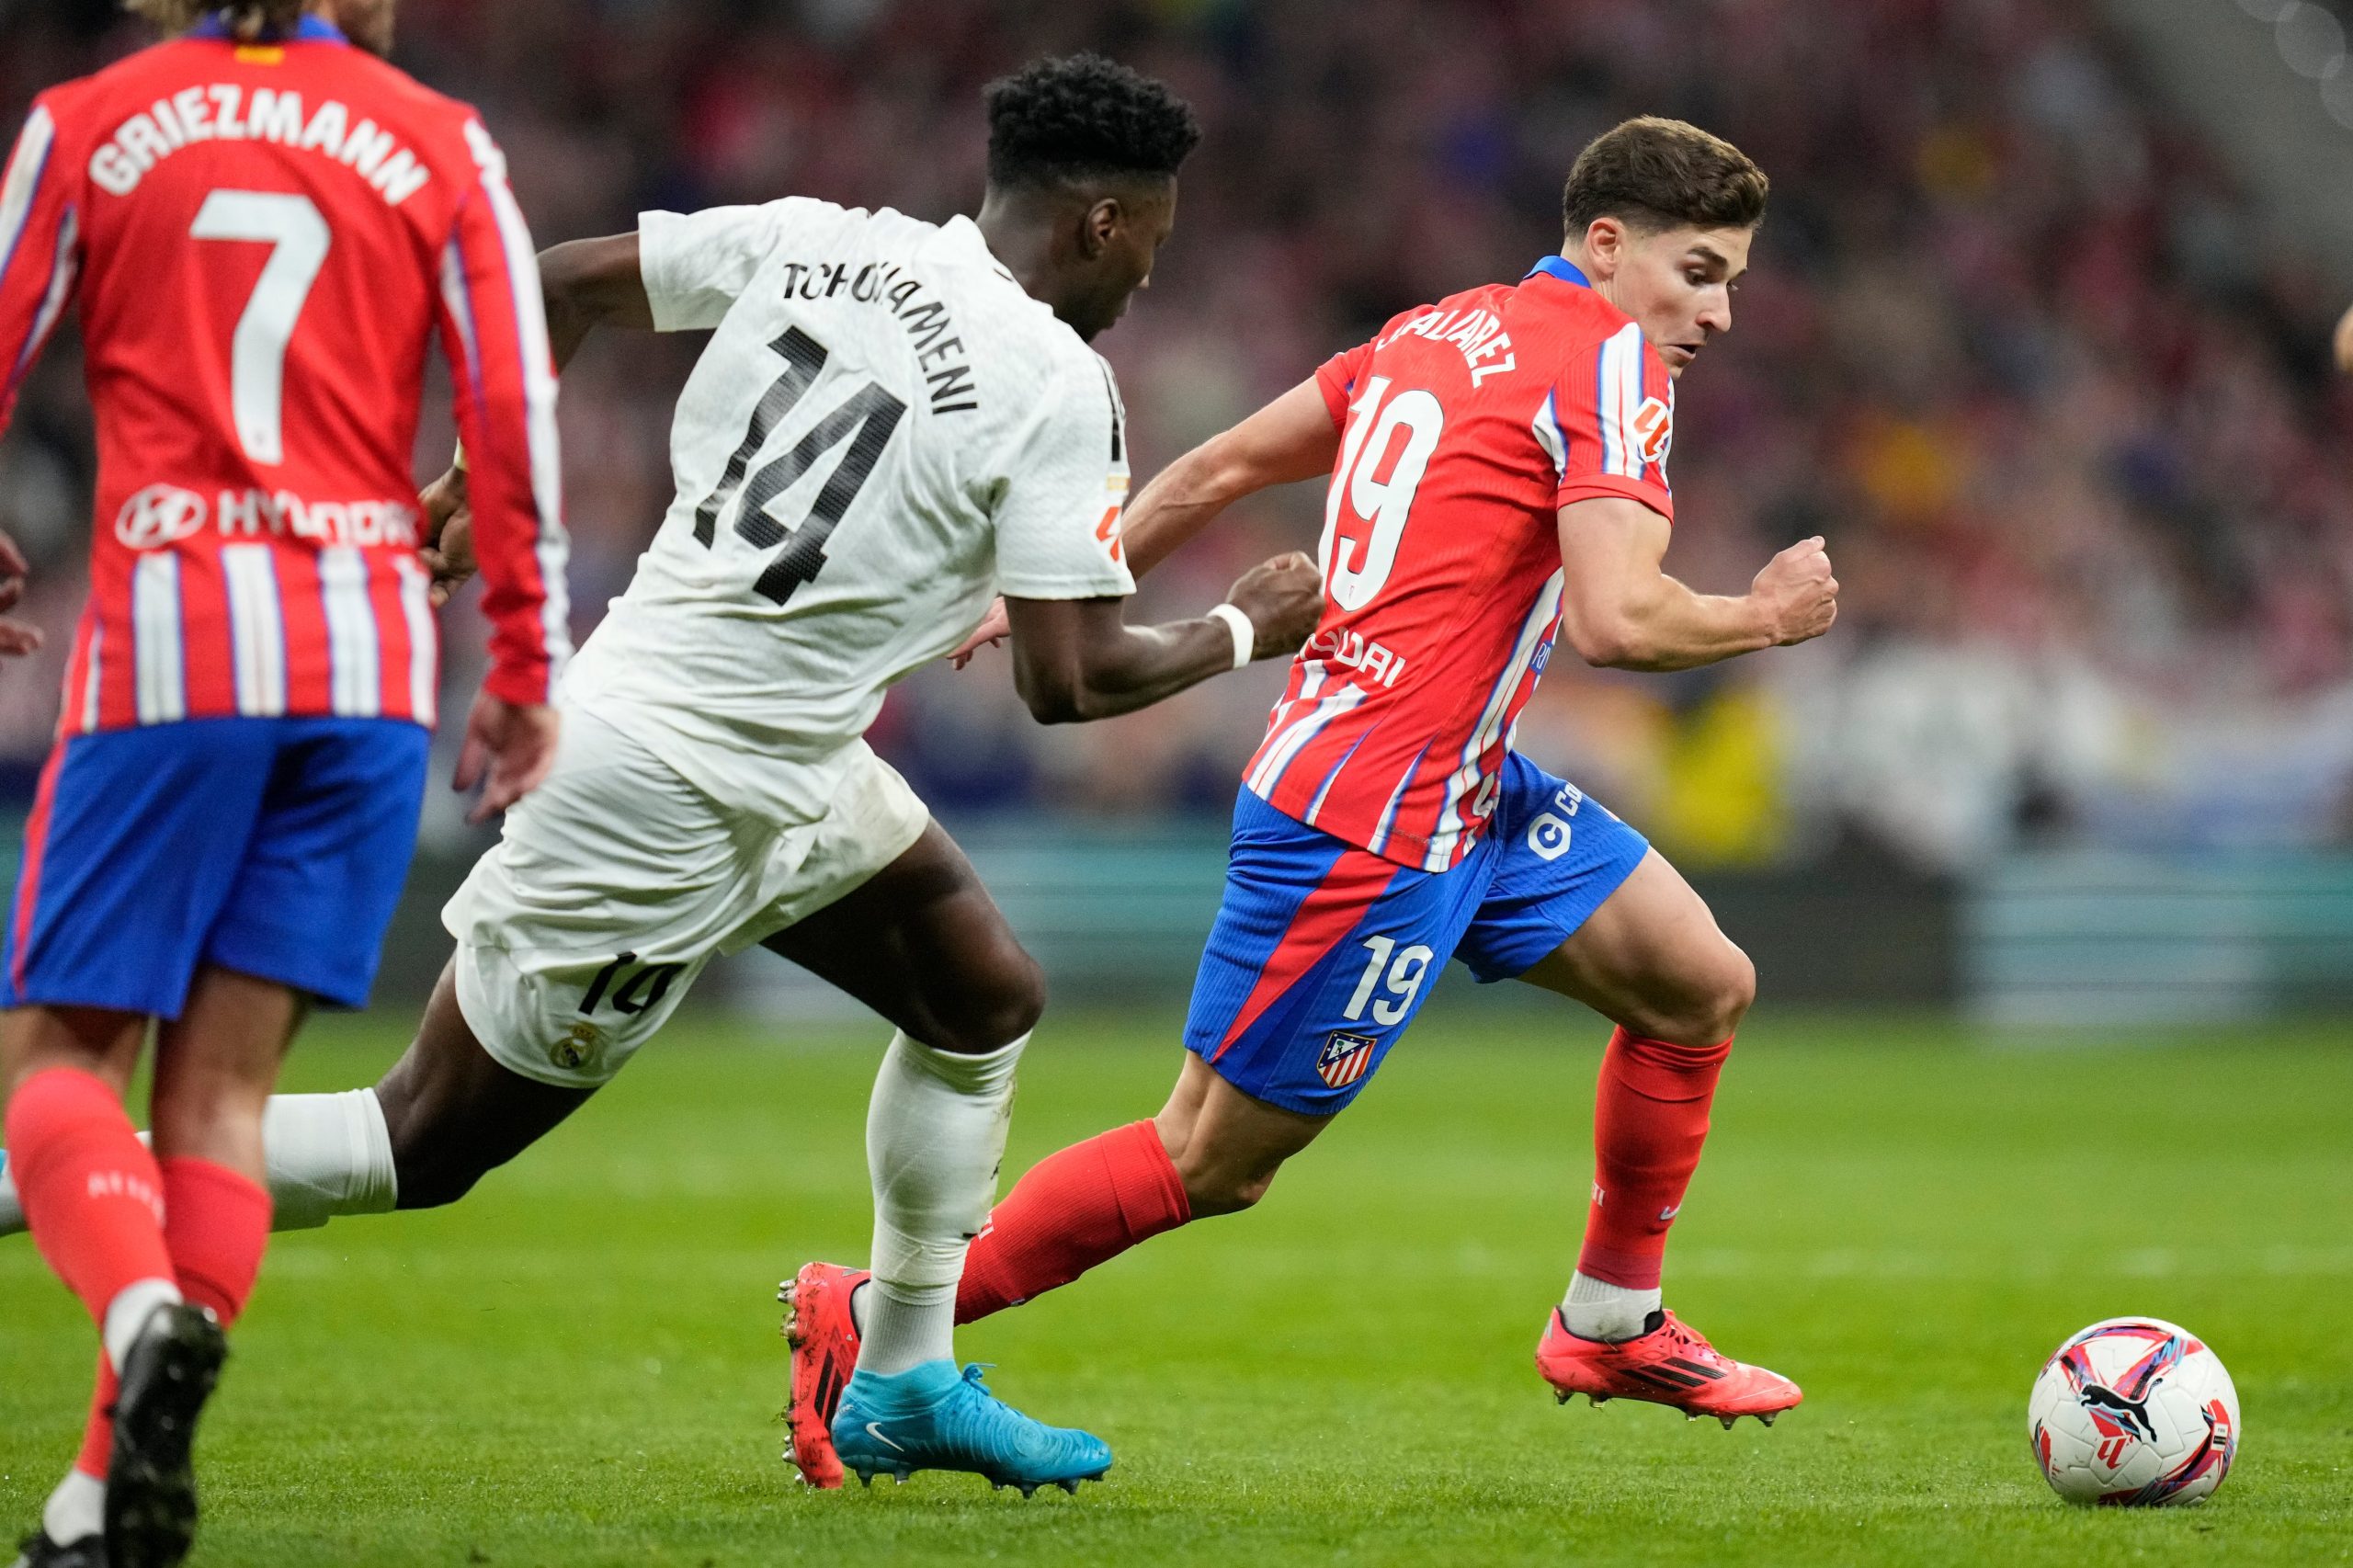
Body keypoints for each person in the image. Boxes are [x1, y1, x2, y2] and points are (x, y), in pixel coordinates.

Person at [0, 50, 1325, 1497]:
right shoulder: (1062, 385)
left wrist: (476, 483)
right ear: (1100, 223)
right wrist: (1243, 628)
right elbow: (1069, 682)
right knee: (420, 1137)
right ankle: (39, 1176)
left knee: (980, 994)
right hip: (665, 795)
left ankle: (901, 1376)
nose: (1147, 278)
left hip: (770, 749)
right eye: (1151, 242)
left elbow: (556, 282)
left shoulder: (822, 238)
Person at [775, 114, 1843, 1479]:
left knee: (1699, 986)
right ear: (1606, 244)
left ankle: (1611, 1319)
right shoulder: (1612, 361)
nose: (1721, 313)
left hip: (1461, 783)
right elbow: (1618, 620)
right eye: (1699, 273)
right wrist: (1764, 616)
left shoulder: (1433, 329)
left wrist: (1048, 588)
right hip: (1371, 817)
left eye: (1732, 281)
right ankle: (874, 1317)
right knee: (1211, 1159)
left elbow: (1215, 468)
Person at [0, 0, 571, 1562]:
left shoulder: (89, 124)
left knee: (57, 1059)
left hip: (172, 649)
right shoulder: (439, 140)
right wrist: (525, 659)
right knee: (222, 1098)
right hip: (370, 667)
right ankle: (96, 1498)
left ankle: (136, 1309)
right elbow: (511, 406)